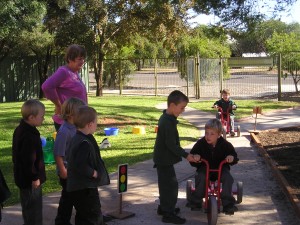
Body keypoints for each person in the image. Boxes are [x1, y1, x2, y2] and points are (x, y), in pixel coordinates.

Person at [153, 90, 200, 224]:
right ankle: (168, 213)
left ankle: (164, 207)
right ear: (172, 106)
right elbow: (171, 144)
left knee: (165, 185)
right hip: (164, 159)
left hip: (163, 159)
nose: (183, 110)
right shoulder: (167, 122)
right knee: (171, 186)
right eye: (182, 108)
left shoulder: (168, 117)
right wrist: (186, 155)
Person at [67, 106, 109, 225]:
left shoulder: (79, 137)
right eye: (96, 122)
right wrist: (95, 173)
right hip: (84, 188)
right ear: (90, 124)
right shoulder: (83, 143)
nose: (97, 124)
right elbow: (81, 165)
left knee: (83, 216)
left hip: (79, 187)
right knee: (92, 216)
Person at [188, 118, 238, 215]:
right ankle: (196, 201)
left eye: (212, 134)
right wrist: (195, 157)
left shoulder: (225, 145)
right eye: (206, 133)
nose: (208, 136)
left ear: (219, 135)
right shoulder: (200, 144)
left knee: (228, 178)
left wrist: (231, 158)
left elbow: (234, 156)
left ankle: (228, 204)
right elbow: (192, 155)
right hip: (205, 167)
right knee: (200, 176)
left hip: (221, 168)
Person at [12, 99, 46, 225]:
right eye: (41, 116)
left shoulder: (21, 129)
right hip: (30, 181)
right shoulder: (29, 135)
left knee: (28, 208)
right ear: (31, 117)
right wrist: (35, 177)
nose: (43, 119)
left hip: (24, 178)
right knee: (34, 211)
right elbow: (28, 159)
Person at [53, 97, 86, 225]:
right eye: (81, 112)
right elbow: (58, 154)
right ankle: (61, 221)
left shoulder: (76, 127)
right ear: (72, 114)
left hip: (75, 171)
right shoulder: (64, 131)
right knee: (67, 199)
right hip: (67, 172)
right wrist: (63, 171)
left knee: (74, 197)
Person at [42, 44, 88, 131]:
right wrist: (59, 106)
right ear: (70, 59)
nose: (82, 61)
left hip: (77, 120)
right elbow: (46, 86)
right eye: (79, 59)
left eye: (83, 58)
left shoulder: (74, 72)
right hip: (67, 122)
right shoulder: (64, 72)